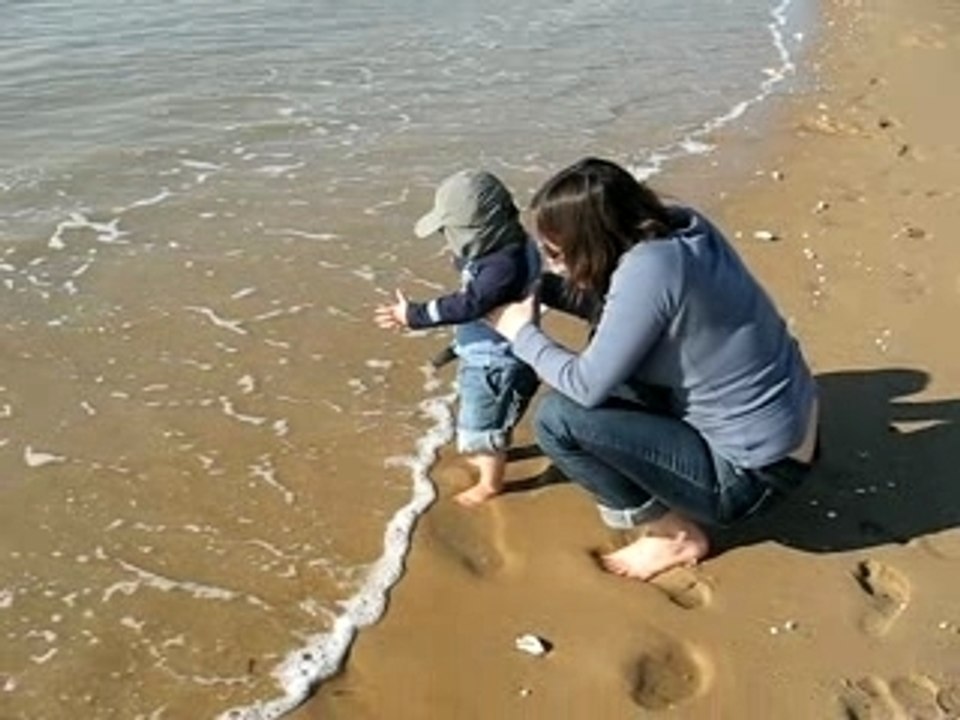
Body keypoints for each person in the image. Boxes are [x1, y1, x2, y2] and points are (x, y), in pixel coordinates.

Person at [489, 157, 819, 580]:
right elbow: (623, 310)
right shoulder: (682, 226)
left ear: (594, 241)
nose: (553, 263)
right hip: (799, 429)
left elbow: (585, 385)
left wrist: (520, 333)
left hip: (756, 478)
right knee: (622, 378)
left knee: (558, 420)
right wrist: (543, 289)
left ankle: (673, 537)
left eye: (557, 254)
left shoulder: (648, 273)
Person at [375, 170, 540, 506]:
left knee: (481, 427)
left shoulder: (502, 269)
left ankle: (490, 482)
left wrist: (414, 315)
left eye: (451, 232)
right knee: (490, 419)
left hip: (494, 363)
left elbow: (469, 304)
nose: (447, 240)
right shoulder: (512, 243)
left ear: (480, 230)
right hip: (493, 351)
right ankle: (493, 448)